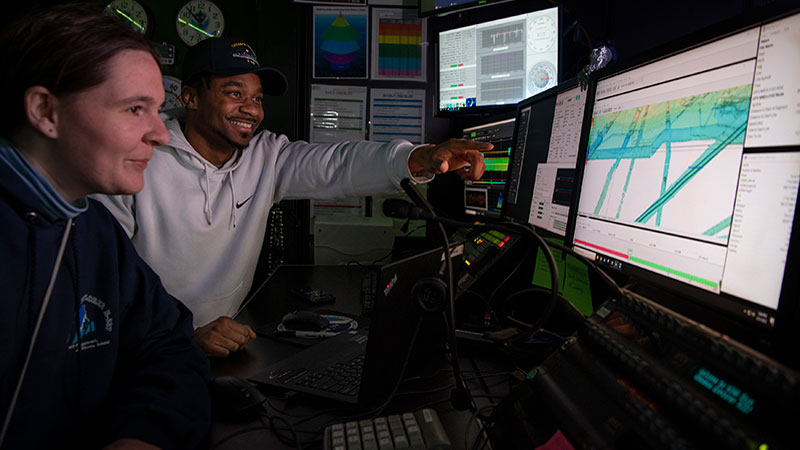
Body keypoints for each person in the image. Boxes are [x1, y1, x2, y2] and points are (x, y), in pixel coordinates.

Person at [96, 36, 490, 358]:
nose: (249, 109)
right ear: (191, 98)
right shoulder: (140, 157)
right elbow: (105, 281)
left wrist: (418, 157)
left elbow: (339, 164)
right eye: (234, 93)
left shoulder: (267, 156)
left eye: (257, 98)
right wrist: (181, 333)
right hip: (143, 349)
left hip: (226, 342)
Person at [0, 5, 210, 449]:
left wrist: (143, 435)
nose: (160, 134)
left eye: (157, 110)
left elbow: (169, 349)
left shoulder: (94, 230)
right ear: (45, 111)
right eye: (135, 108)